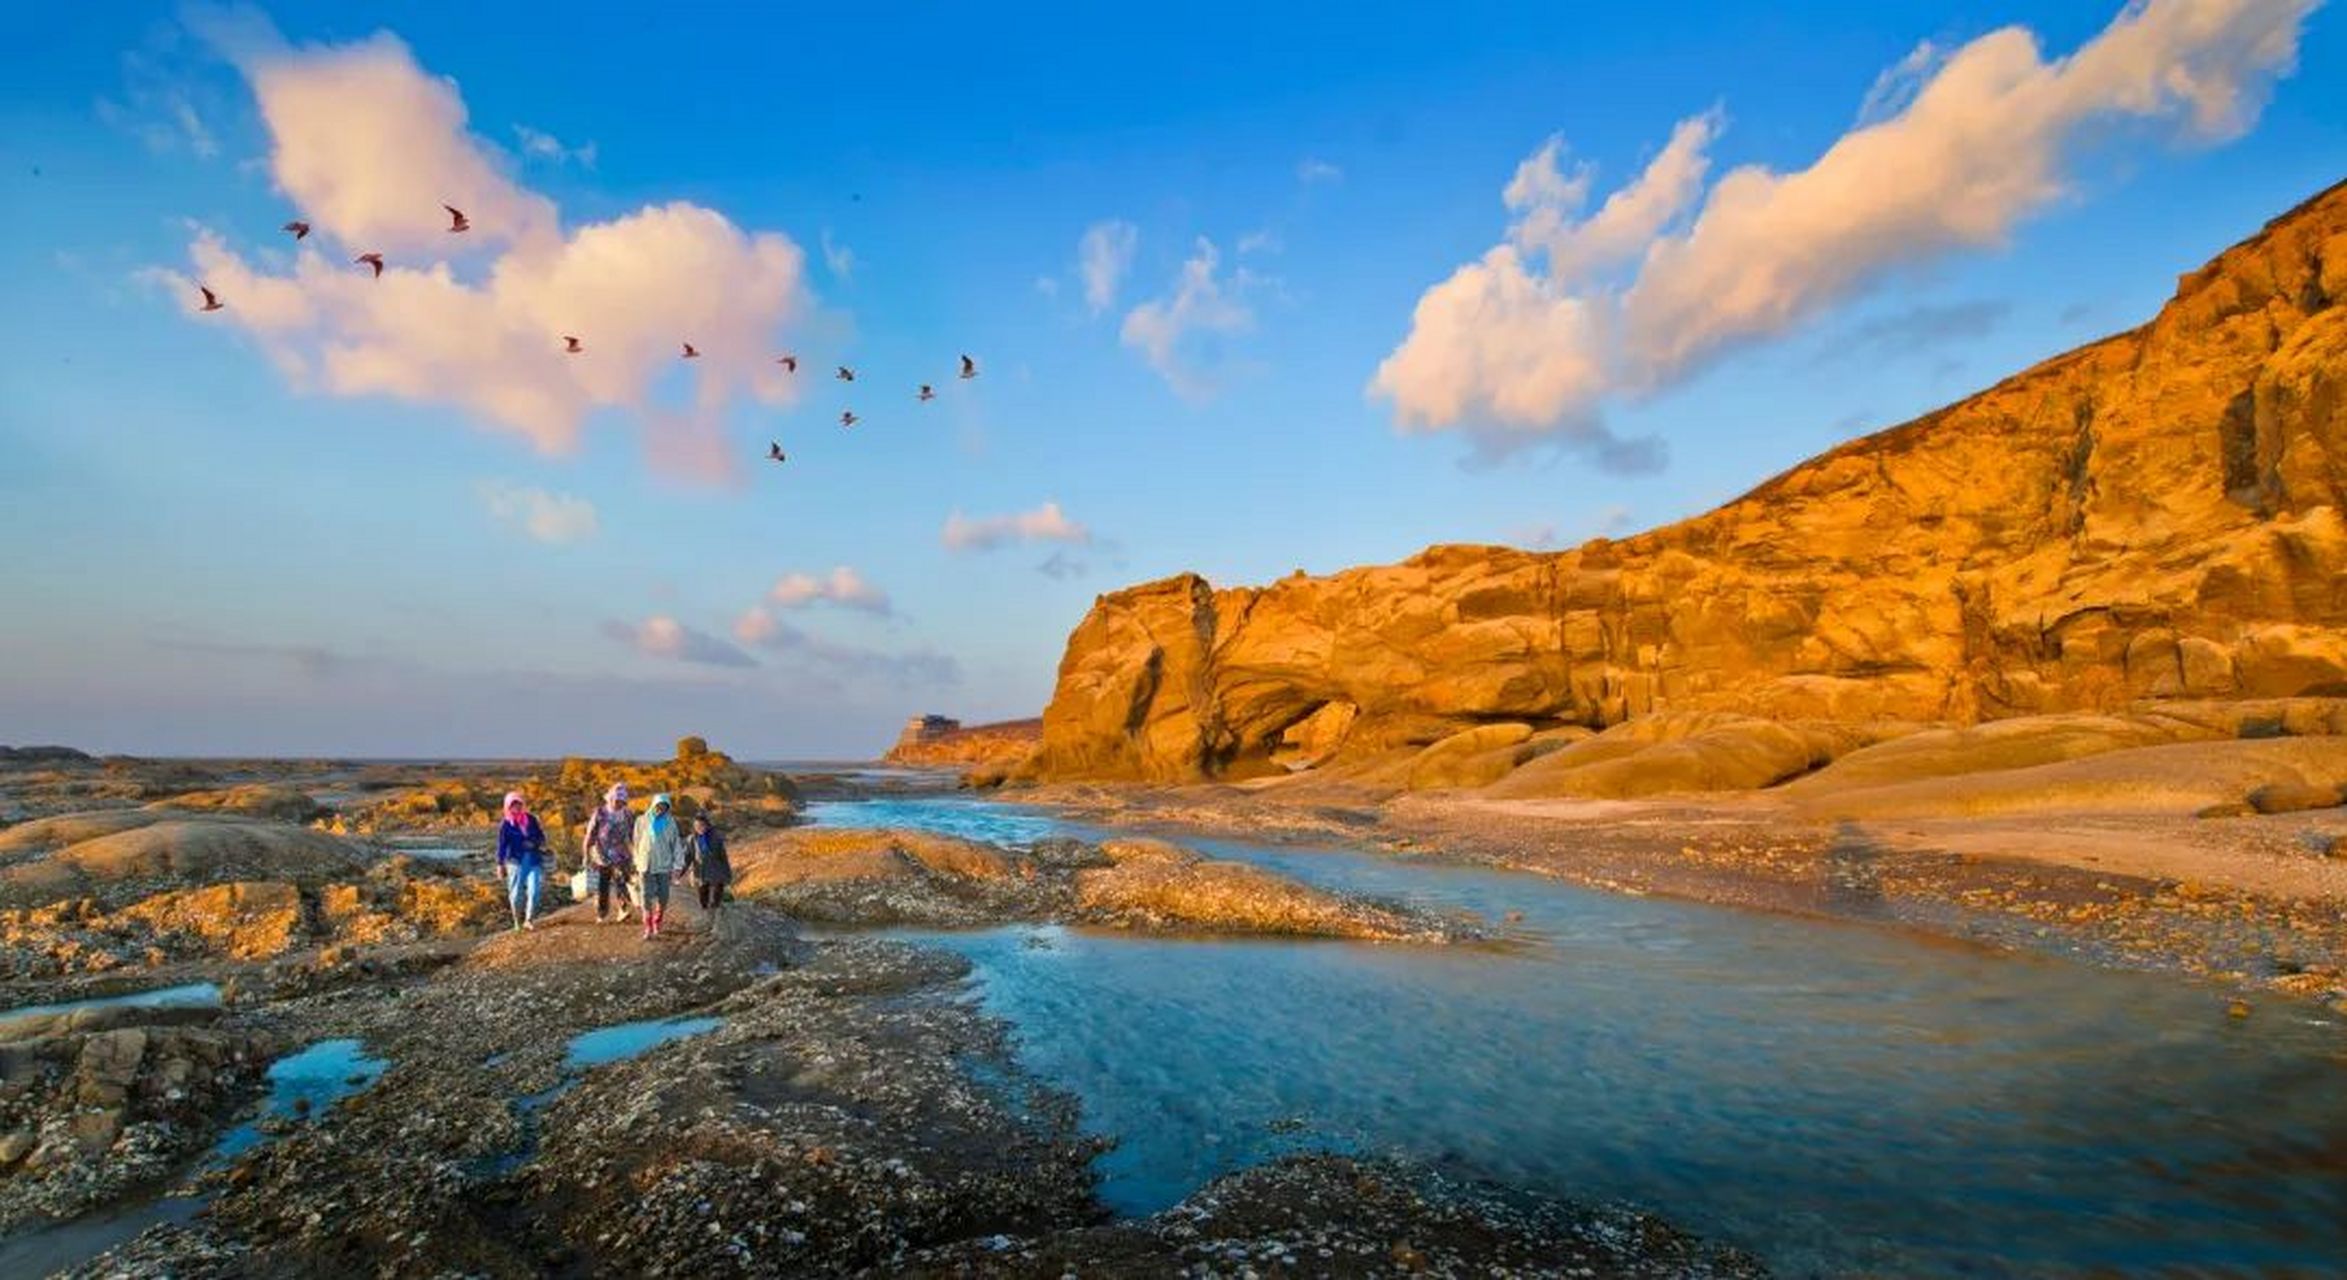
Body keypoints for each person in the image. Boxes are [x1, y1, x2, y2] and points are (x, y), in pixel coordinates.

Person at [631, 792, 689, 940]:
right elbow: (636, 842)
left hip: (664, 865)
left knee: (663, 896)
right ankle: (648, 926)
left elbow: (676, 844)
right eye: (658, 806)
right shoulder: (641, 821)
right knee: (645, 896)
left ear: (667, 808)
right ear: (653, 805)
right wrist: (636, 862)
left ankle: (658, 919)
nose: (660, 809)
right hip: (646, 864)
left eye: (664, 807)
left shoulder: (670, 823)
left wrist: (678, 865)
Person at [580, 783, 637, 924]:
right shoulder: (600, 813)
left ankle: (623, 910)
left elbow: (633, 835)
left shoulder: (627, 814)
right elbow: (590, 835)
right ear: (610, 799)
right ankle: (602, 913)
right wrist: (586, 855)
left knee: (621, 880)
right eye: (617, 800)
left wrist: (636, 853)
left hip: (621, 854)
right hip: (601, 854)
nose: (619, 803)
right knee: (602, 885)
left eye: (622, 801)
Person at [496, 791, 548, 931]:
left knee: (535, 891)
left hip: (533, 860)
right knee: (515, 894)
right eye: (513, 805)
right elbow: (502, 845)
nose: (517, 807)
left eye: (519, 804)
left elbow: (541, 836)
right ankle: (517, 920)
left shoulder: (531, 819)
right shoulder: (506, 824)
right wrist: (500, 864)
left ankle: (529, 920)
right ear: (508, 806)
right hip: (515, 862)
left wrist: (534, 843)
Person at [685, 813, 732, 917]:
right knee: (703, 895)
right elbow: (688, 856)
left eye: (702, 825)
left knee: (717, 892)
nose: (700, 828)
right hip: (701, 871)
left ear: (707, 825)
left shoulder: (716, 838)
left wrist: (727, 874)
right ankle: (706, 914)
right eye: (697, 826)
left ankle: (716, 914)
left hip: (717, 869)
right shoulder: (691, 839)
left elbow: (723, 857)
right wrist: (680, 871)